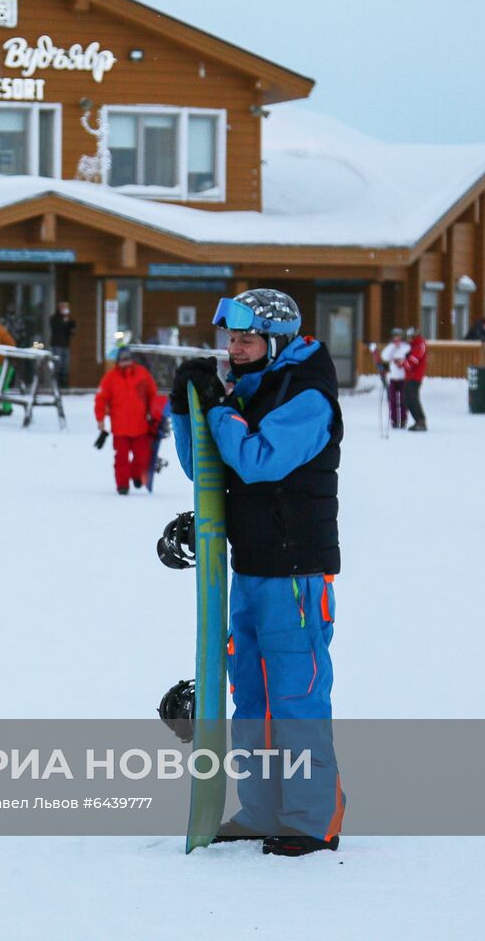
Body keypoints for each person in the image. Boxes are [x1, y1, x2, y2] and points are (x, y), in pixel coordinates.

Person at [169, 288, 345, 856]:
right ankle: (263, 809)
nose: (234, 349)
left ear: (277, 341)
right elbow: (207, 466)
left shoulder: (307, 395)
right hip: (249, 568)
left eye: (246, 339)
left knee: (295, 698)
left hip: (296, 573)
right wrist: (186, 410)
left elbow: (257, 462)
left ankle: (312, 820)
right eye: (231, 339)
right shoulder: (251, 388)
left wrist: (219, 409)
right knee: (251, 697)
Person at [94, 346, 165, 495]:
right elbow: (101, 399)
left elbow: (152, 394)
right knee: (121, 459)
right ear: (118, 361)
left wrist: (155, 414)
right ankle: (122, 485)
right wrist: (100, 419)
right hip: (120, 428)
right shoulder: (110, 378)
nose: (125, 362)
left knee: (142, 457)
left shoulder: (142, 374)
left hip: (141, 426)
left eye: (127, 359)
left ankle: (136, 475)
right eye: (122, 360)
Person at [378, 328, 410, 429]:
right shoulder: (390, 347)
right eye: (395, 337)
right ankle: (394, 420)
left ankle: (403, 419)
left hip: (403, 377)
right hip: (393, 377)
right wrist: (393, 348)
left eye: (399, 337)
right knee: (392, 400)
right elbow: (385, 356)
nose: (397, 339)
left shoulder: (406, 347)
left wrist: (398, 356)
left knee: (403, 400)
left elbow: (405, 355)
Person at [402, 327, 428, 431]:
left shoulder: (420, 345)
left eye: (408, 337)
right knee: (407, 399)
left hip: (415, 376)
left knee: (413, 398)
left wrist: (403, 363)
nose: (407, 339)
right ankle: (417, 420)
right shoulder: (412, 346)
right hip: (409, 376)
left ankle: (421, 421)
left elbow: (413, 361)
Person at [49, 301, 76, 388]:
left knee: (65, 365)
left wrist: (70, 324)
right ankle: (56, 384)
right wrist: (64, 320)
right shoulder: (54, 318)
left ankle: (64, 384)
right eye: (63, 308)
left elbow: (71, 331)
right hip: (56, 344)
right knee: (57, 365)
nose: (64, 310)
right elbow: (56, 328)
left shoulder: (69, 320)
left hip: (65, 344)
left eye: (66, 308)